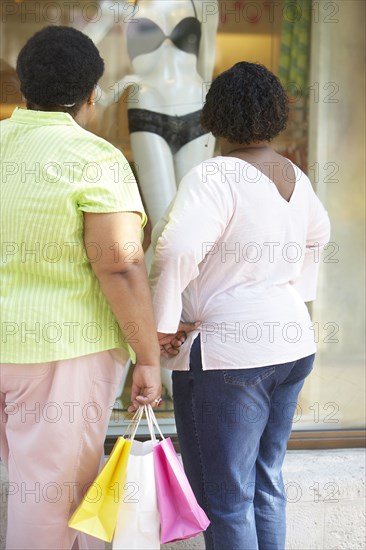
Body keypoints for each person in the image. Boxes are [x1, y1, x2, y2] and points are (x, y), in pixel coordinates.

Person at [150, 62, 331, 550]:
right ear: (277, 114)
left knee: (225, 499)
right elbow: (320, 237)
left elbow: (174, 249)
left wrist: (162, 324)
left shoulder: (214, 174)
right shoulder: (295, 174)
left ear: (215, 116)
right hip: (291, 341)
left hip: (231, 356)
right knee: (266, 484)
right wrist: (287, 292)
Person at [0, 26, 161, 550]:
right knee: (49, 504)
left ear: (25, 87)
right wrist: (149, 355)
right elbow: (119, 266)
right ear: (94, 93)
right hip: (61, 351)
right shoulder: (93, 158)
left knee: (28, 489)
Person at [126, 0, 219, 227]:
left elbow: (207, 62)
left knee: (191, 219)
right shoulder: (127, 5)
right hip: (147, 106)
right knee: (162, 224)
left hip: (197, 107)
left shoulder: (204, 3)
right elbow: (91, 37)